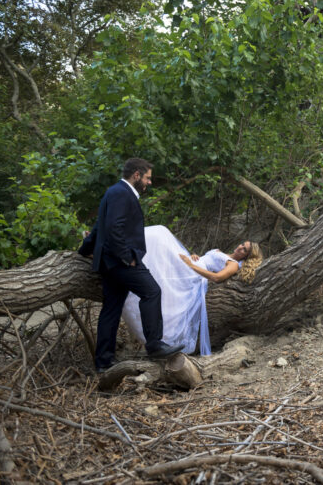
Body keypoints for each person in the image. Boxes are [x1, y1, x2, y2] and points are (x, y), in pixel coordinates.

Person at [78, 158, 183, 373]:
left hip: (110, 262)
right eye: (147, 178)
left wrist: (84, 249)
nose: (149, 182)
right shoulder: (121, 193)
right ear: (136, 175)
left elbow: (100, 227)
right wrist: (127, 257)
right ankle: (154, 345)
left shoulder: (115, 192)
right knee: (152, 291)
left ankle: (103, 362)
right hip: (120, 262)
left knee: (111, 310)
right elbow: (114, 228)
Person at [119, 227, 263, 356]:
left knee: (161, 235)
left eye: (245, 250)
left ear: (247, 256)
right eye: (242, 244)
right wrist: (196, 258)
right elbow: (207, 260)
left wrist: (191, 266)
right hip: (193, 264)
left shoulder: (233, 265)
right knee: (160, 243)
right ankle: (126, 251)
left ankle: (124, 249)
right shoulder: (223, 253)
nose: (240, 248)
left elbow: (217, 277)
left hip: (194, 273)